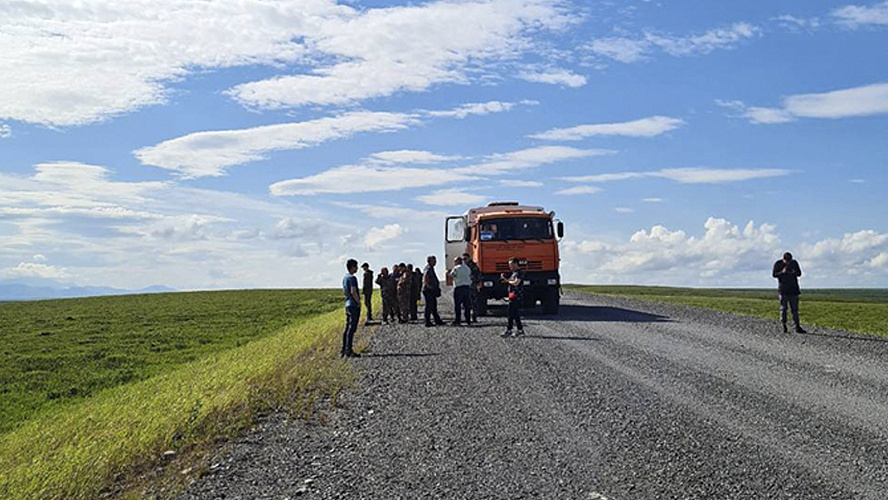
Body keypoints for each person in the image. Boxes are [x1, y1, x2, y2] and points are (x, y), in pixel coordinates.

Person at [772, 252, 807, 333]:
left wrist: (793, 272)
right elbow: (774, 274)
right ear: (783, 259)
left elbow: (799, 273)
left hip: (794, 290)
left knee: (795, 310)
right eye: (786, 261)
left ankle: (797, 326)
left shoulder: (794, 263)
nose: (788, 262)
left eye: (789, 261)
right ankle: (784, 326)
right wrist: (782, 272)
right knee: (783, 309)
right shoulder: (778, 263)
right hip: (783, 290)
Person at [341, 259, 361, 357]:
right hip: (353, 305)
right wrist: (358, 302)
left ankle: (344, 349)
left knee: (347, 327)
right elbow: (353, 291)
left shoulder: (345, 278)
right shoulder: (352, 278)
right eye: (356, 266)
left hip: (347, 304)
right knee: (352, 328)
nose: (357, 268)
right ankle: (349, 350)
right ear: (352, 267)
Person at [501, 257, 525, 338]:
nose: (510, 267)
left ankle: (509, 329)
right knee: (514, 313)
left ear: (515, 264)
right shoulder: (514, 273)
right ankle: (519, 330)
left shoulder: (519, 273)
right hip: (512, 295)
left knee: (511, 313)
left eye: (511, 265)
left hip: (516, 295)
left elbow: (516, 283)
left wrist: (507, 281)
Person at [450, 256, 472, 325]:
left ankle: (458, 320)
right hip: (467, 288)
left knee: (458, 305)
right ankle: (468, 320)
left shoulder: (456, 268)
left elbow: (452, 275)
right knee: (467, 305)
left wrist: (449, 273)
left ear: (457, 261)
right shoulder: (467, 268)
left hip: (459, 288)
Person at [423, 255, 444, 327]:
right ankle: (427, 321)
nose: (435, 262)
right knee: (429, 306)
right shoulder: (428, 269)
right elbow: (426, 277)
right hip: (428, 290)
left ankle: (437, 320)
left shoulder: (431, 268)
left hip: (431, 290)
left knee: (433, 306)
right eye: (434, 261)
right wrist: (429, 286)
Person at [463, 252, 482, 322]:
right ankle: (467, 318)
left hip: (472, 286)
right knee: (466, 303)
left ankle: (474, 317)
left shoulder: (473, 266)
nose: (464, 260)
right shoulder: (463, 266)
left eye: (465, 259)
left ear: (469, 258)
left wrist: (478, 283)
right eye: (463, 259)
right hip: (465, 286)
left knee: (474, 302)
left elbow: (478, 275)